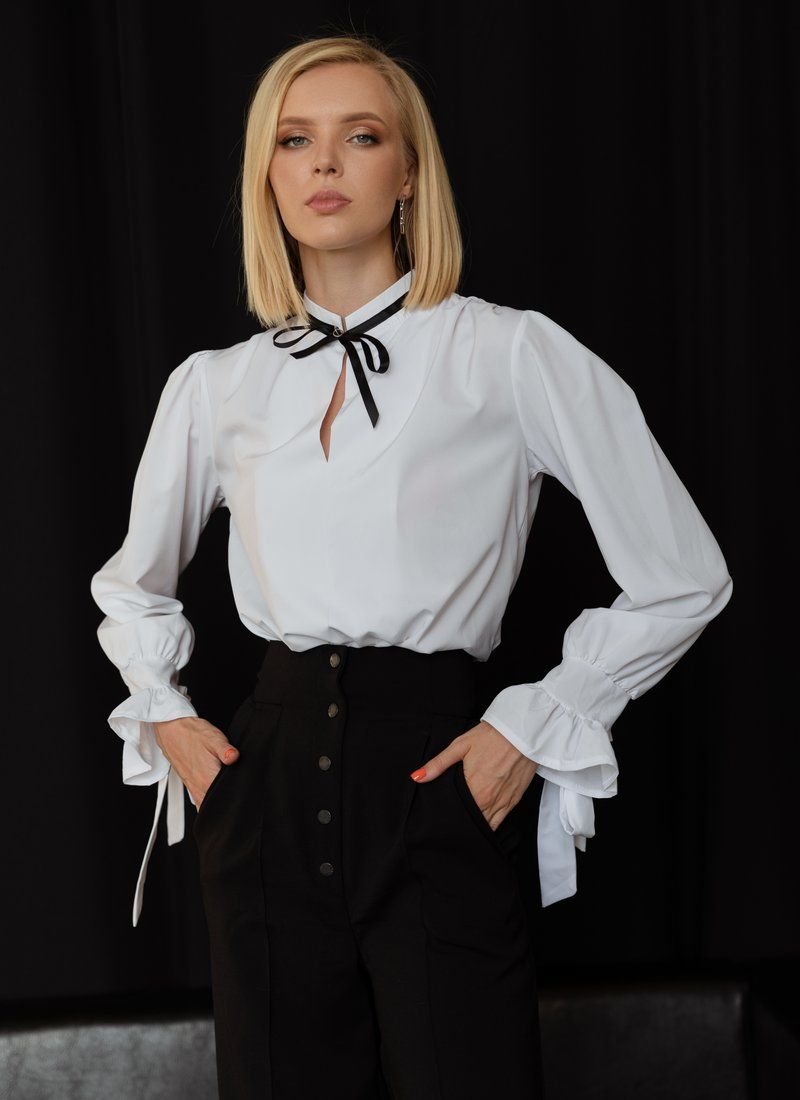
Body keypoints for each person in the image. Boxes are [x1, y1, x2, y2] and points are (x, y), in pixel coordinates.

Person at [90, 32, 733, 1100]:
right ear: (266, 176)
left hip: (436, 773)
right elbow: (131, 583)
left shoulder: (507, 352)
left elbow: (683, 573)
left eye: (360, 136)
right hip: (268, 785)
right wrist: (166, 713)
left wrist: (532, 724)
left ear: (408, 175)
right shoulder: (217, 384)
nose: (323, 162)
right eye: (294, 140)